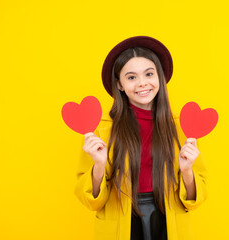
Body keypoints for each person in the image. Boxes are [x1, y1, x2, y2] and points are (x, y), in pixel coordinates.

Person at [74, 36, 208, 240]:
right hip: (122, 223)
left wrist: (187, 170)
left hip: (168, 221)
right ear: (119, 84)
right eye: (131, 77)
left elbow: (194, 200)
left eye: (149, 74)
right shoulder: (102, 132)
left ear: (160, 78)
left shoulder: (181, 128)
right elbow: (92, 202)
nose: (142, 83)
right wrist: (99, 165)